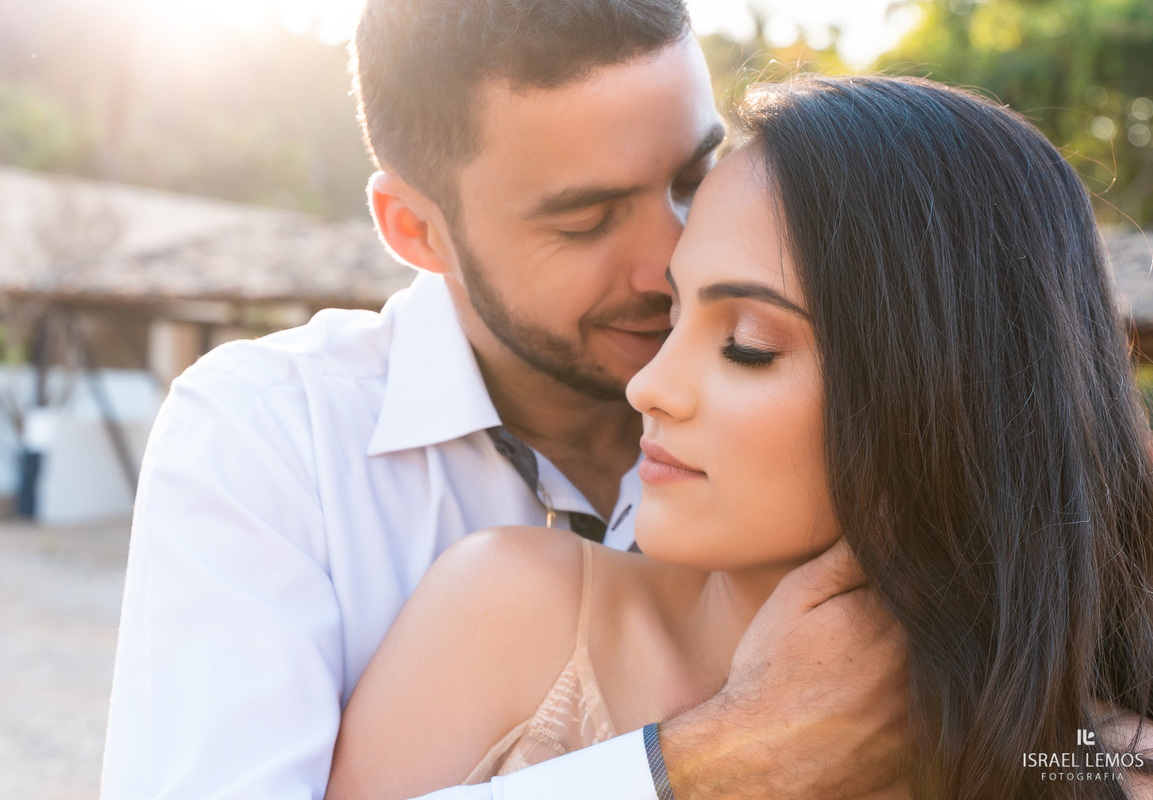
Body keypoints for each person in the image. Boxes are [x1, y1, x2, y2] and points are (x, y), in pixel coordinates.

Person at [100, 2, 908, 799]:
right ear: (416, 229)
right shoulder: (271, 438)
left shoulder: (839, 418)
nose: (672, 261)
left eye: (693, 177)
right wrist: (708, 761)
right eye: (588, 221)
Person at [324, 75, 1153, 800]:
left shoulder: (1100, 765)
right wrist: (712, 761)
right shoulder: (510, 612)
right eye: (675, 314)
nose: (646, 386)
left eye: (747, 346)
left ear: (949, 394)